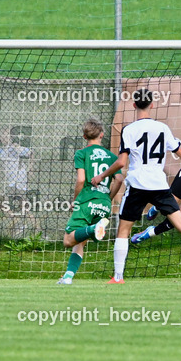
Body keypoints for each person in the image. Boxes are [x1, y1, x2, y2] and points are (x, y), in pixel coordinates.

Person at [92, 88, 181, 283]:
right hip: (159, 186)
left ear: (134, 105)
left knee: (123, 230)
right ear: (152, 105)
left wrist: (101, 176)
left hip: (138, 186)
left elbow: (121, 162)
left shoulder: (129, 130)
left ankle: (118, 277)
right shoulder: (162, 128)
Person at [58, 118, 122, 285]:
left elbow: (81, 180)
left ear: (84, 136)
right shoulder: (112, 157)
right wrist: (108, 198)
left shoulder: (82, 153)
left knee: (68, 240)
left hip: (87, 201)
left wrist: (75, 200)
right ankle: (68, 277)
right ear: (102, 135)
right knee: (81, 240)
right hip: (104, 204)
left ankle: (94, 229)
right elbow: (119, 179)